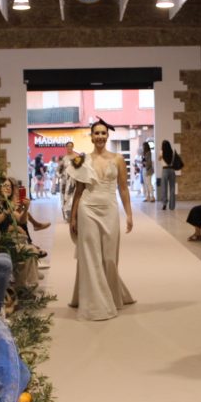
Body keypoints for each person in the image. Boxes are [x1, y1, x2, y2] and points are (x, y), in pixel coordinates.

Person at [67, 119, 135, 320]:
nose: (100, 136)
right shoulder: (82, 159)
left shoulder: (118, 159)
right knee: (91, 256)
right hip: (87, 208)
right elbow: (78, 190)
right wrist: (73, 216)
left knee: (109, 257)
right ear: (91, 136)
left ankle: (111, 294)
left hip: (110, 209)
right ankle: (95, 304)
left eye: (103, 133)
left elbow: (123, 188)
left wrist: (129, 214)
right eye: (96, 133)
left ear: (107, 135)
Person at [158, 140, 178, 210]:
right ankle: (172, 206)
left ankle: (164, 204)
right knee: (172, 188)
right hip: (172, 170)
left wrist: (161, 154)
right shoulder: (172, 152)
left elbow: (159, 159)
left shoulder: (161, 152)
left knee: (164, 187)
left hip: (165, 170)